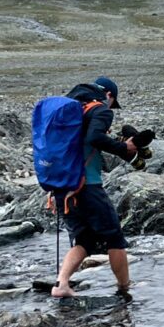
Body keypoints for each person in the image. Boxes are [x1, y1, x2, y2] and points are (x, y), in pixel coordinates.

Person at [51, 75, 138, 299]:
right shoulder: (100, 110)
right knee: (115, 238)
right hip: (87, 186)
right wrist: (123, 148)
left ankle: (61, 284)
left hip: (61, 186)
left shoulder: (70, 111)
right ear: (108, 95)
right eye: (113, 102)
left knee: (84, 240)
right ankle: (125, 287)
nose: (112, 108)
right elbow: (96, 138)